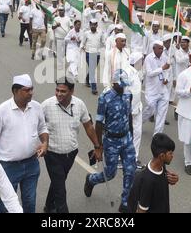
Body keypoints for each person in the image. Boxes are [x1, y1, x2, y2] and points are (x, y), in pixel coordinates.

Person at [0, 74, 49, 213]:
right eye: (26, 90)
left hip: (32, 164)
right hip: (8, 167)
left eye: (31, 89)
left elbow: (42, 128)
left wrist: (45, 143)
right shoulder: (1, 111)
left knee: (30, 201)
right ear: (15, 91)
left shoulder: (36, 107)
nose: (31, 93)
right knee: (6, 204)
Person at [41, 79, 102, 213]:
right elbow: (36, 127)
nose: (59, 94)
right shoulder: (46, 106)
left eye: (63, 91)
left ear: (72, 91)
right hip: (52, 155)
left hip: (71, 154)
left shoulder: (79, 105)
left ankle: (49, 206)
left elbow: (88, 126)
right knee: (61, 190)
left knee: (58, 182)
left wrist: (97, 147)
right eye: (57, 90)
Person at [84, 69, 136, 213]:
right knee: (110, 173)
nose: (123, 87)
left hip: (126, 138)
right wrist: (98, 146)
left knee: (130, 170)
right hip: (111, 140)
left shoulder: (128, 94)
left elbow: (129, 115)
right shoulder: (105, 98)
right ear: (114, 83)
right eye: (121, 85)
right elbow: (99, 123)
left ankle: (125, 202)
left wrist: (131, 133)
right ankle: (91, 180)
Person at [128, 133, 179, 213]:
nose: (172, 156)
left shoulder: (161, 166)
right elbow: (141, 210)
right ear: (162, 156)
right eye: (170, 153)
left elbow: (162, 180)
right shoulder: (148, 181)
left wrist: (173, 179)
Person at [143, 40, 171, 135]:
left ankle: (157, 135)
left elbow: (168, 71)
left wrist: (166, 79)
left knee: (161, 114)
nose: (161, 50)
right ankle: (138, 122)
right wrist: (162, 68)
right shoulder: (148, 58)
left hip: (163, 90)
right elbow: (150, 73)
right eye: (159, 48)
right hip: (152, 90)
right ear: (153, 48)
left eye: (162, 49)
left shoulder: (165, 58)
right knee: (150, 109)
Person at [128, 52, 144, 169]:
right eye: (140, 61)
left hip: (138, 108)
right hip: (127, 110)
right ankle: (120, 158)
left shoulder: (138, 73)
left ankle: (134, 158)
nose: (142, 62)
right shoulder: (126, 73)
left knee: (137, 133)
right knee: (125, 135)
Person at [81, 19, 104, 95]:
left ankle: (87, 80)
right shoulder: (86, 33)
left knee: (92, 69)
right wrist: (82, 47)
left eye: (94, 24)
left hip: (97, 54)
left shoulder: (100, 33)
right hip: (88, 53)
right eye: (91, 24)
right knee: (91, 70)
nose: (93, 26)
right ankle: (94, 88)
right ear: (89, 25)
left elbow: (103, 42)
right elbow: (82, 42)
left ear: (97, 25)